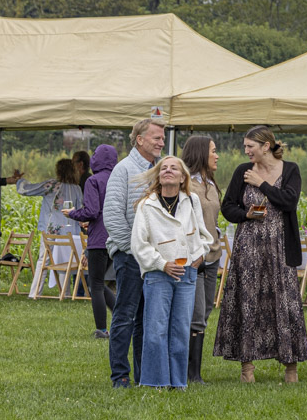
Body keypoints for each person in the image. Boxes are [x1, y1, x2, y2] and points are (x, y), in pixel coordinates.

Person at [214, 126, 307, 384]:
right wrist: (245, 215)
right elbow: (227, 207)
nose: (246, 151)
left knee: (286, 303)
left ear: (266, 146)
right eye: (245, 147)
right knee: (248, 302)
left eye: (250, 146)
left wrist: (262, 185)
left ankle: (291, 367)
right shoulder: (242, 172)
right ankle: (247, 367)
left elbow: (289, 201)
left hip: (280, 248)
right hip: (249, 248)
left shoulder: (290, 170)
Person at [131, 156, 212, 389]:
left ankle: (178, 382)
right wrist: (160, 263)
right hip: (158, 275)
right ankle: (154, 382)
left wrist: (200, 254)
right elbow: (139, 244)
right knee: (155, 330)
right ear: (158, 176)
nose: (168, 171)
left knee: (180, 329)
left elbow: (205, 235)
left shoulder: (192, 201)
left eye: (173, 168)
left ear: (182, 176)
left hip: (187, 274)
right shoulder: (148, 205)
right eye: (163, 168)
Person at [102, 118, 166, 387]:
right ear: (139, 139)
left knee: (145, 319)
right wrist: (135, 250)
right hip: (129, 257)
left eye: (162, 138)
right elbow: (113, 215)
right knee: (125, 316)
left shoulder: (160, 171)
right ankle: (120, 376)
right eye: (156, 138)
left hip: (152, 259)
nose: (161, 142)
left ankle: (143, 376)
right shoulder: (124, 170)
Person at [179, 135, 222, 384]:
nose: (217, 156)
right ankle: (190, 373)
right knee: (195, 313)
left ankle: (193, 370)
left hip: (213, 255)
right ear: (200, 154)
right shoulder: (187, 186)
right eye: (213, 151)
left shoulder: (210, 183)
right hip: (195, 259)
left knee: (205, 311)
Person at [64, 144, 118, 338]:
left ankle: (102, 330)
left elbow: (92, 211)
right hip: (118, 238)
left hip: (99, 239)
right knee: (100, 281)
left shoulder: (93, 181)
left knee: (94, 283)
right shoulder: (120, 179)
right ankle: (121, 315)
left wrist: (73, 214)